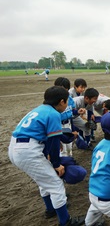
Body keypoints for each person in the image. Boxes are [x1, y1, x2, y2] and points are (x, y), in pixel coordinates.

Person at [8, 86, 85, 226]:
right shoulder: (53, 114)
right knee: (56, 184)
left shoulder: (40, 109)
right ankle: (65, 221)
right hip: (28, 151)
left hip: (16, 147)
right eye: (66, 102)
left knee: (45, 181)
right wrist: (56, 164)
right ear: (62, 101)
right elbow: (54, 142)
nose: (67, 105)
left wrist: (47, 157)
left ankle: (51, 210)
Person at [54, 77, 78, 157]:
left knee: (69, 145)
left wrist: (78, 112)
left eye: (66, 89)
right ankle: (63, 163)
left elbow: (71, 113)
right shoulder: (54, 101)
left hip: (68, 124)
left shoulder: (69, 99)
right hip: (59, 125)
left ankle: (70, 160)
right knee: (62, 147)